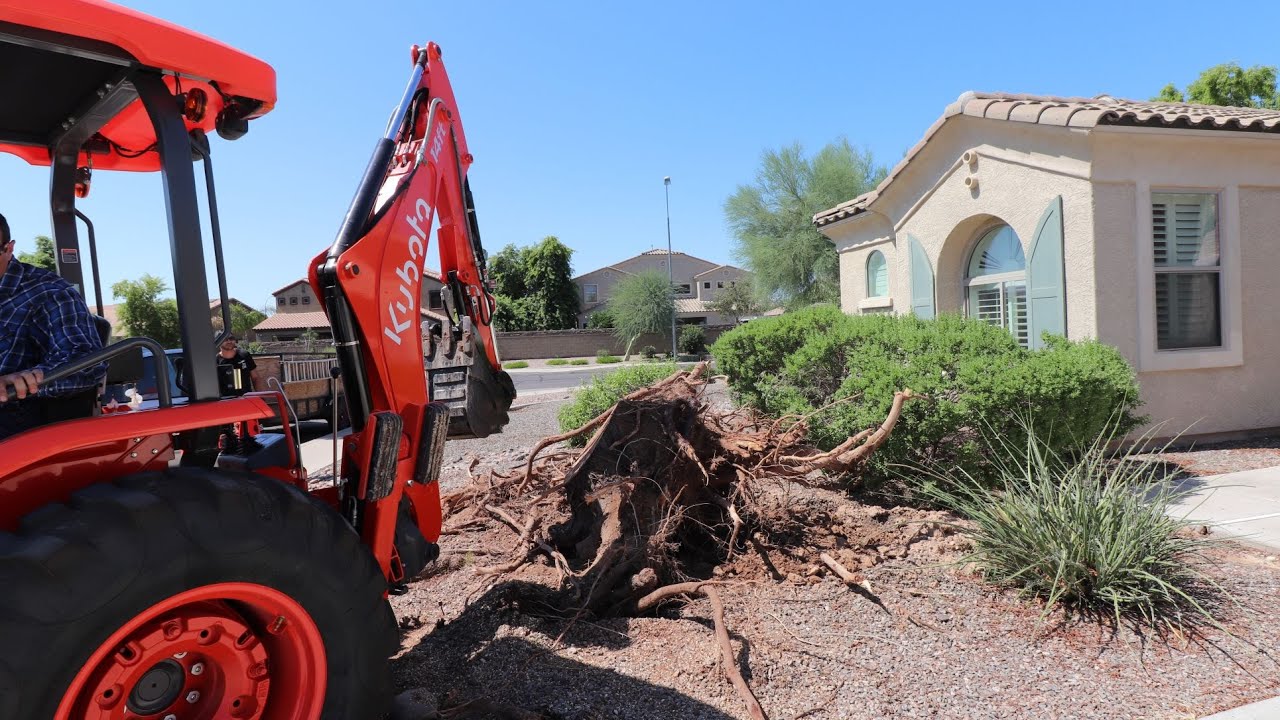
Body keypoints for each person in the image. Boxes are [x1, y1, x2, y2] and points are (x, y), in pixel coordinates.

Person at [0, 213, 106, 440]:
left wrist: (26, 379)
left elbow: (83, 360)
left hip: (17, 425)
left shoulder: (49, 292)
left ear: (9, 248)